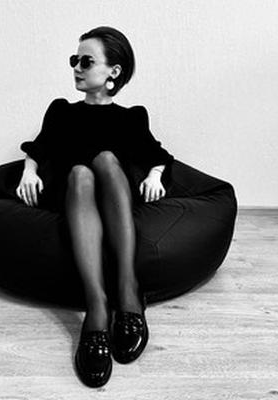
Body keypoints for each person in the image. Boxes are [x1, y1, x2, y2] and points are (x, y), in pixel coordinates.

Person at [16, 26, 174, 388]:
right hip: (74, 195)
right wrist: (28, 171)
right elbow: (38, 148)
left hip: (114, 192)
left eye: (86, 61)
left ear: (113, 71)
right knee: (80, 173)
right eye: (74, 60)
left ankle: (128, 289)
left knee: (105, 159)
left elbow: (158, 155)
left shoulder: (132, 117)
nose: (76, 67)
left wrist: (155, 175)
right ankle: (97, 306)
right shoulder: (61, 112)